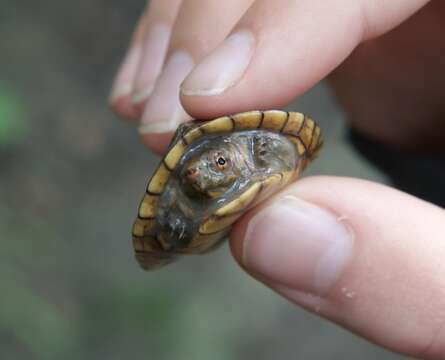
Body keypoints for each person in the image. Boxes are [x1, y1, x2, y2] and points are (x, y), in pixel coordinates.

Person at [109, 1, 445, 357]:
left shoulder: (260, 148)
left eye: (220, 162)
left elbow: (287, 143)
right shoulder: (187, 183)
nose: (197, 174)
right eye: (191, 177)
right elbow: (162, 228)